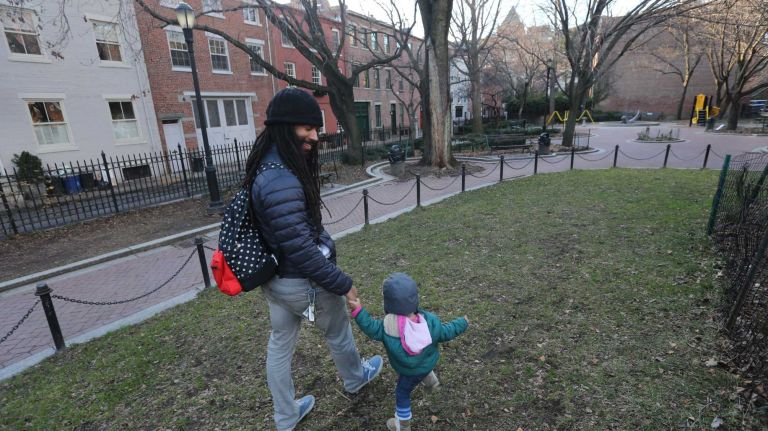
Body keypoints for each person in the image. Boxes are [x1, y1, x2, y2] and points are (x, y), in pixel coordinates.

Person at [244, 88, 383, 431]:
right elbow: (303, 252)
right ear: (285, 126)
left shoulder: (270, 165)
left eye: (316, 128)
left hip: (276, 282)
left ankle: (286, 416)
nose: (315, 136)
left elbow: (293, 234)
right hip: (300, 282)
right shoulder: (281, 178)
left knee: (280, 343)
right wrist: (343, 283)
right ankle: (355, 378)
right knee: (337, 331)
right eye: (307, 128)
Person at [347, 273, 469, 431]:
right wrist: (462, 323)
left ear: (389, 304)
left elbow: (370, 327)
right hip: (427, 363)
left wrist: (358, 310)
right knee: (422, 367)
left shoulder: (387, 328)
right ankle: (432, 383)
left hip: (408, 372)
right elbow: (447, 331)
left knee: (402, 394)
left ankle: (403, 426)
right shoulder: (429, 322)